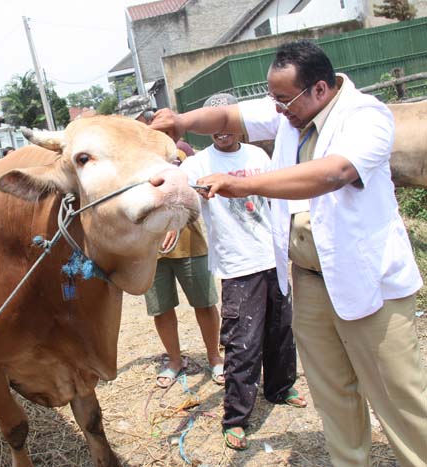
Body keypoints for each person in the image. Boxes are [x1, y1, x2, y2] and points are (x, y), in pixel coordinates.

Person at [151, 39, 426, 466]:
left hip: (370, 281)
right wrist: (181, 120)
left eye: (284, 99)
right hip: (310, 280)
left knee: (399, 395)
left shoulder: (366, 116)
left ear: (319, 89)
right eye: (273, 99)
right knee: (332, 390)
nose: (277, 109)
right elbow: (227, 115)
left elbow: (335, 172)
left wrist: (243, 185)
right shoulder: (293, 113)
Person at [181, 92, 306, 450]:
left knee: (281, 329)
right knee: (243, 343)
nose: (223, 131)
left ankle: (280, 388)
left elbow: (277, 198)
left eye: (229, 122)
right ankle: (236, 417)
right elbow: (177, 194)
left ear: (238, 124)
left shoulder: (259, 156)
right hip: (238, 265)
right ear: (208, 127)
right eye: (215, 124)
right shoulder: (196, 166)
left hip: (273, 257)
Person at [118, 97, 225, 389]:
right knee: (160, 307)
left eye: (140, 120)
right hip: (148, 248)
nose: (136, 127)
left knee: (204, 301)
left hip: (188, 241)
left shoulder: (178, 149)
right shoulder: (125, 159)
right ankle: (175, 360)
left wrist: (176, 225)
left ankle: (215, 357)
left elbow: (194, 192)